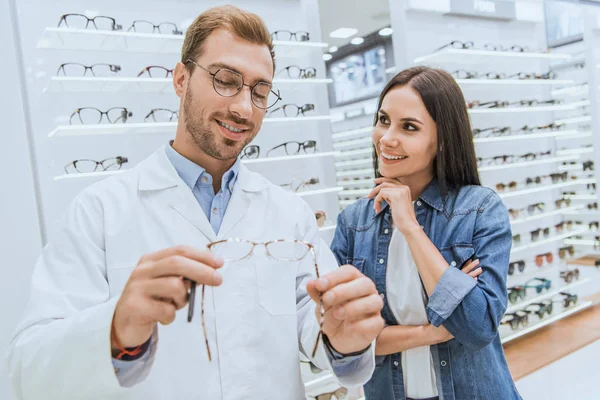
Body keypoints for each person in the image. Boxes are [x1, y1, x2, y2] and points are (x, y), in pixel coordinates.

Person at [6, 6, 384, 400]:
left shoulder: (289, 215)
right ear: (181, 79)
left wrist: (344, 338)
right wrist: (116, 328)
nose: (243, 108)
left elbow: (318, 326)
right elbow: (26, 368)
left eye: (259, 91)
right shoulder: (100, 211)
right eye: (225, 80)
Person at [330, 66, 522, 400]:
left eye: (409, 127)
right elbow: (344, 342)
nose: (387, 138)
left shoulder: (479, 210)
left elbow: (477, 328)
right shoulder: (353, 223)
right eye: (383, 120)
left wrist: (410, 225)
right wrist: (433, 332)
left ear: (443, 140)